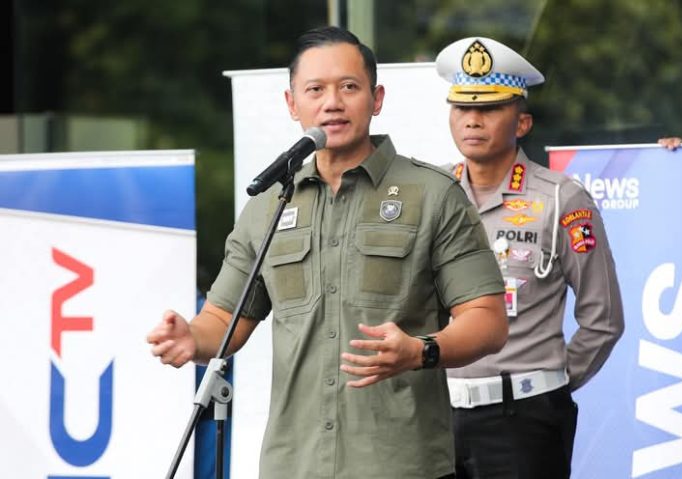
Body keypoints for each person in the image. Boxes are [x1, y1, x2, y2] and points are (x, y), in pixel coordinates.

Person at [147, 26, 509, 479]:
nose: (332, 102)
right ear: (291, 103)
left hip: (399, 464)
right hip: (293, 464)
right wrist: (190, 338)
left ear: (376, 99)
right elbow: (223, 320)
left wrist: (420, 351)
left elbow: (488, 320)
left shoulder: (433, 195)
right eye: (315, 90)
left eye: (349, 87)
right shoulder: (268, 206)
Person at [435, 37, 625, 479]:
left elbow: (604, 317)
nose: (473, 120)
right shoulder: (432, 195)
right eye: (462, 108)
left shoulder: (561, 199)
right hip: (435, 417)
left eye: (490, 108)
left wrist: (547, 387)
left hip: (522, 421)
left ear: (522, 123)